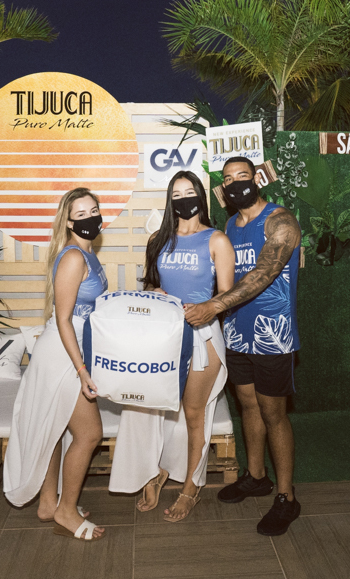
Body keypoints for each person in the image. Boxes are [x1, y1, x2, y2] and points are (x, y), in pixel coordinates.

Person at [184, 156, 302, 537]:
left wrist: (213, 306)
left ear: (257, 179)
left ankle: (286, 497)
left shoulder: (280, 221)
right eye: (229, 179)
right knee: (247, 405)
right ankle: (256, 476)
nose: (236, 183)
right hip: (236, 331)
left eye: (243, 176)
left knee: (273, 413)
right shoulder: (230, 226)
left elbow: (264, 273)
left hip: (273, 334)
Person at [110, 171, 235, 522]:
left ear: (200, 196)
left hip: (202, 336)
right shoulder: (158, 240)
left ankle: (191, 488)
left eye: (189, 192)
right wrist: (154, 292)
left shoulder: (217, 239)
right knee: (153, 409)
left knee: (194, 415)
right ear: (170, 201)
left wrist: (206, 306)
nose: (184, 200)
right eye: (176, 195)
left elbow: (228, 295)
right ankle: (156, 472)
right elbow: (150, 284)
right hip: (162, 337)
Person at [3, 188, 107, 542]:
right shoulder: (74, 257)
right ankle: (65, 510)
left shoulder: (88, 253)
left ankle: (49, 504)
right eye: (81, 214)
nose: (90, 217)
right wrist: (81, 370)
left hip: (73, 348)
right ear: (69, 222)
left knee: (56, 428)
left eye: (94, 210)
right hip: (62, 353)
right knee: (90, 434)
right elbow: (63, 319)